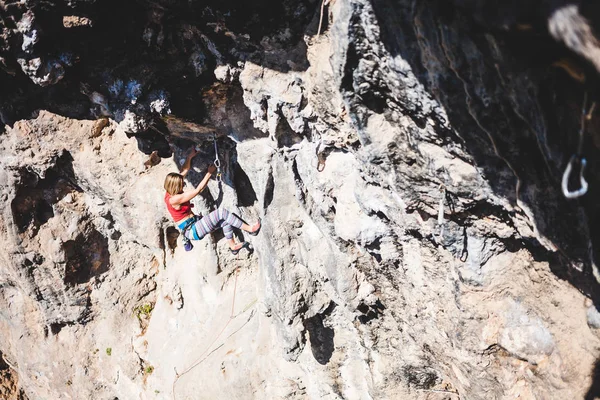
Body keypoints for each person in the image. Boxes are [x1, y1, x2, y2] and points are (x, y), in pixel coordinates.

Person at [164, 147, 261, 254]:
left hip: (195, 224)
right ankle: (251, 229)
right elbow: (198, 190)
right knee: (221, 213)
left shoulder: (170, 190)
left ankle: (233, 246)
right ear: (176, 186)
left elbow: (184, 171)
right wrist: (209, 173)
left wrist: (190, 157)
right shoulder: (174, 199)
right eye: (182, 184)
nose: (183, 184)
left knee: (224, 220)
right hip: (193, 229)